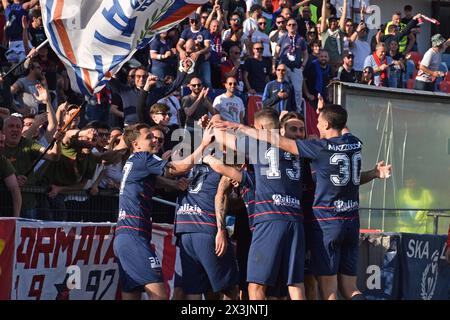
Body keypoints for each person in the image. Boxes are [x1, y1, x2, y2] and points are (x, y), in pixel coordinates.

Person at [213, 103, 391, 301]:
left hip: (318, 224)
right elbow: (351, 167)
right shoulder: (352, 143)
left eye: (314, 124)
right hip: (333, 222)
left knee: (320, 289)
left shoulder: (314, 149)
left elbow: (238, 145)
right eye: (294, 129)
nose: (309, 129)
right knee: (341, 288)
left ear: (326, 125)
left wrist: (230, 126)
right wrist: (375, 173)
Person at [211, 108, 306, 300]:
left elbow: (220, 135)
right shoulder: (297, 149)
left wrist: (215, 116)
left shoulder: (258, 145)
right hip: (296, 220)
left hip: (269, 218)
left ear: (260, 127)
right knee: (295, 284)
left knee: (256, 286)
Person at [113, 122, 214, 300]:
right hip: (134, 235)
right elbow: (180, 168)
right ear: (136, 144)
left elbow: (152, 180)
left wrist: (172, 184)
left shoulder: (132, 161)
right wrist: (204, 144)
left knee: (132, 295)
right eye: (149, 137)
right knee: (159, 296)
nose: (155, 141)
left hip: (123, 237)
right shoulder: (143, 157)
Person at [174, 160, 239, 300]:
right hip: (207, 229)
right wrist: (221, 230)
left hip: (185, 231)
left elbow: (168, 183)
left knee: (195, 291)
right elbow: (221, 196)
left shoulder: (187, 163)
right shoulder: (223, 165)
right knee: (230, 289)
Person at [1, 115, 63, 219]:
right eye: (11, 126)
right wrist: (13, 180)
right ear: (2, 130)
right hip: (3, 202)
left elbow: (53, 156)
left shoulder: (29, 144)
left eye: (18, 127)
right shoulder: (1, 146)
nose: (15, 129)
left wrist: (58, 141)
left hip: (27, 204)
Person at [273, 18, 308, 113]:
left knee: (297, 90)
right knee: (284, 88)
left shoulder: (301, 39)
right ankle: (283, 109)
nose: (291, 26)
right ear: (286, 26)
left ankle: (297, 111)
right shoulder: (282, 38)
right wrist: (274, 66)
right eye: (289, 25)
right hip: (284, 68)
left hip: (296, 68)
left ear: (297, 26)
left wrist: (303, 66)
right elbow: (276, 53)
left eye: (294, 24)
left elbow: (305, 54)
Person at [177, 12, 212, 88]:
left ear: (200, 21)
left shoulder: (205, 32)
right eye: (192, 21)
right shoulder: (186, 31)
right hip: (189, 59)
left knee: (207, 81)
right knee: (184, 80)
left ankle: (208, 98)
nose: (194, 23)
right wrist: (182, 51)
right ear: (189, 21)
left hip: (202, 58)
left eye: (196, 21)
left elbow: (208, 47)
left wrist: (198, 53)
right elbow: (178, 45)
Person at [320, 0, 347, 74]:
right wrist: (324, 2)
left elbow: (344, 15)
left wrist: (345, 2)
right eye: (331, 21)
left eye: (334, 21)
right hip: (326, 64)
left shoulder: (340, 31)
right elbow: (323, 16)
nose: (333, 22)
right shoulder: (324, 32)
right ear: (328, 22)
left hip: (337, 65)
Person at [0, 132, 21, 217]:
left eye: (2, 142)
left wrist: (16, 219)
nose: (1, 145)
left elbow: (15, 189)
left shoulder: (2, 160)